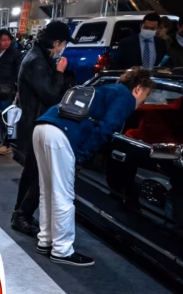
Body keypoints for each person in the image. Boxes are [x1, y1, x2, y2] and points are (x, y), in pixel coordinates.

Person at [33, 68, 154, 266]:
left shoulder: (107, 89)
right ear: (138, 88)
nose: (143, 103)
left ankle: (45, 241)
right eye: (145, 96)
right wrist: (83, 155)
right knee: (63, 196)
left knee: (48, 191)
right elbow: (107, 128)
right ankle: (62, 250)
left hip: (43, 126)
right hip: (62, 133)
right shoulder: (125, 97)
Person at [11, 21, 72, 237]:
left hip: (34, 124)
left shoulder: (38, 57)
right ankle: (22, 215)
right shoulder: (37, 61)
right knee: (38, 174)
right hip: (35, 124)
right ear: (56, 42)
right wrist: (59, 73)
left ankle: (21, 214)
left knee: (32, 172)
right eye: (63, 43)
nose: (63, 48)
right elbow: (50, 95)